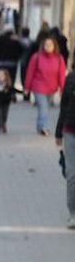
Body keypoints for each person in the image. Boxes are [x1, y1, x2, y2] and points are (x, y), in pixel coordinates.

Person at [24, 35, 66, 136]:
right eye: (46, 44)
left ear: (54, 46)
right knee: (43, 108)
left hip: (52, 88)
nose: (48, 46)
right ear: (43, 46)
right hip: (38, 87)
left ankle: (40, 127)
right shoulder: (36, 57)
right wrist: (27, 87)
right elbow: (30, 73)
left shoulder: (59, 59)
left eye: (50, 44)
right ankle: (44, 127)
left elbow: (61, 76)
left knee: (44, 108)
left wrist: (62, 90)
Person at [55, 62, 75, 227]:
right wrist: (58, 131)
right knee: (71, 174)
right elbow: (64, 106)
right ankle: (73, 213)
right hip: (70, 131)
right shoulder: (71, 79)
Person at [0, 67, 23, 133]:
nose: (0, 77)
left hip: (6, 102)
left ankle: (4, 124)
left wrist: (23, 92)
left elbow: (14, 90)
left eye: (2, 76)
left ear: (6, 76)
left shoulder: (8, 85)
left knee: (4, 115)